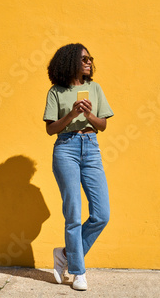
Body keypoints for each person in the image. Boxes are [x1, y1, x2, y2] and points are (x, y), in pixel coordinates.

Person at [43, 43, 114, 291]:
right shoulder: (56, 92)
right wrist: (71, 115)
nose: (88, 62)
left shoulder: (94, 88)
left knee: (101, 214)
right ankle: (78, 272)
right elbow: (50, 129)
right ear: (70, 61)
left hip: (91, 148)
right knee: (72, 214)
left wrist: (90, 116)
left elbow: (102, 125)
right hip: (66, 149)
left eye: (90, 58)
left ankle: (65, 253)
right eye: (84, 58)